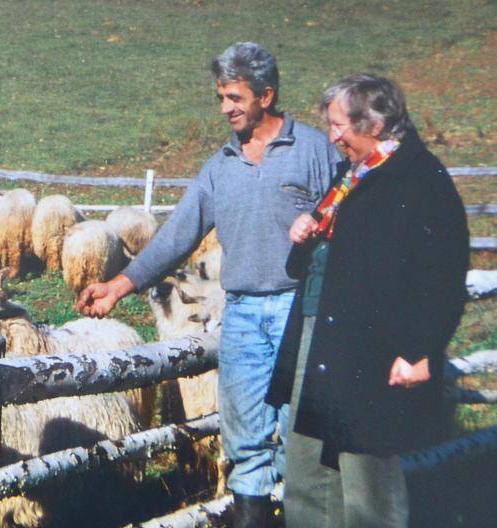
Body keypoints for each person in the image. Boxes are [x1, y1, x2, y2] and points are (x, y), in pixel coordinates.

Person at [75, 42, 340, 526]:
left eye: (235, 97)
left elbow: (348, 221)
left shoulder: (315, 151)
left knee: (298, 431)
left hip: (300, 309)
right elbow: (178, 234)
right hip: (239, 311)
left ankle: (297, 514)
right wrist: (120, 285)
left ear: (266, 94)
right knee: (242, 428)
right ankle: (253, 515)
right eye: (221, 97)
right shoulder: (220, 166)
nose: (225, 108)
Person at [266, 74, 469, 527]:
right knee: (308, 467)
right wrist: (305, 235)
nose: (332, 136)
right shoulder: (354, 173)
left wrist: (420, 350)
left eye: (339, 126)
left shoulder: (420, 180)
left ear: (374, 124)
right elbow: (332, 247)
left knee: (366, 479)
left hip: (373, 348)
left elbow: (443, 276)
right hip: (319, 334)